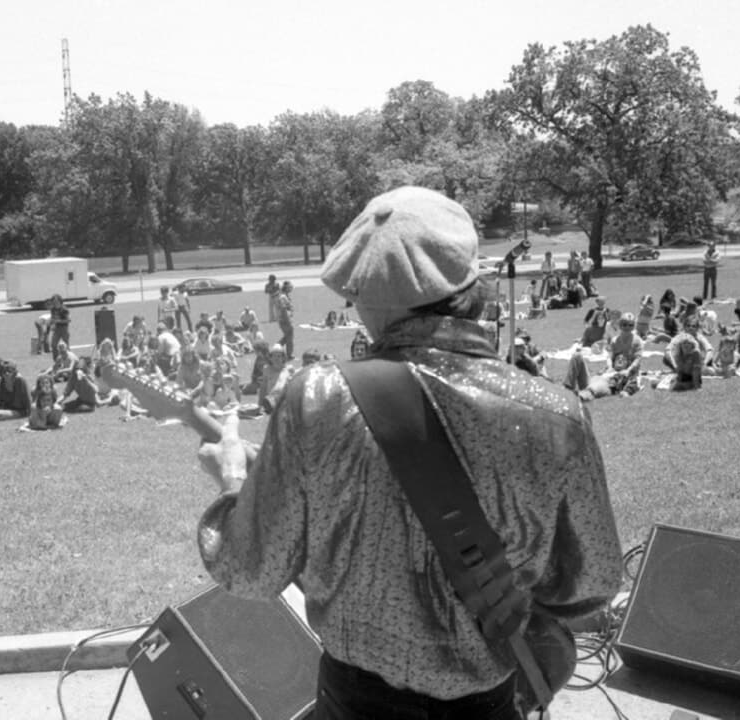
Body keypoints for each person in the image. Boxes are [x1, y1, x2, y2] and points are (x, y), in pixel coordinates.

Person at [194, 186, 621, 718]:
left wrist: (234, 480)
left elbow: (250, 570)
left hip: (355, 700)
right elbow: (594, 581)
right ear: (465, 281)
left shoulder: (317, 398)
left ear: (367, 294)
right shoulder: (556, 412)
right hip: (489, 701)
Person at [276, 280, 296, 360]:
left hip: (286, 319)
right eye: (290, 287)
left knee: (288, 337)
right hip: (285, 320)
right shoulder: (283, 297)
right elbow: (283, 309)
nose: (291, 288)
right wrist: (288, 321)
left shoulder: (285, 295)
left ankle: (277, 348)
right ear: (286, 288)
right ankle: (288, 355)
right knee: (289, 338)